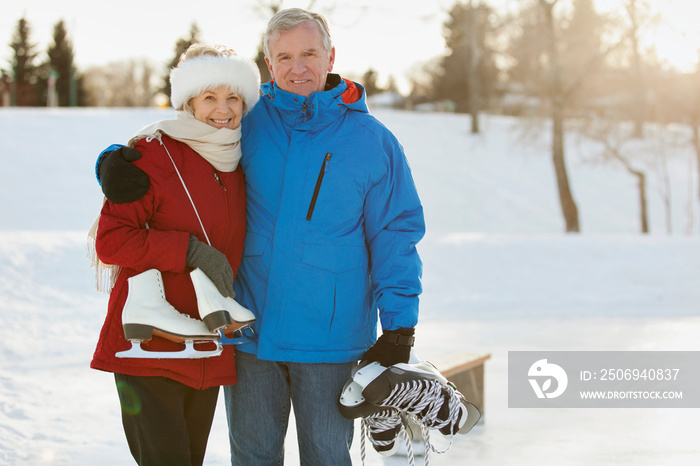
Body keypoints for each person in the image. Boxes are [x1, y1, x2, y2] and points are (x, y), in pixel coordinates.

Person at [95, 8, 425, 465]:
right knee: (251, 457)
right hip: (251, 335)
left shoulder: (373, 141)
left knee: (327, 456)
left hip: (328, 340)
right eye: (284, 56)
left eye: (309, 53)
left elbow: (395, 233)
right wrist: (114, 158)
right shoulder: (247, 120)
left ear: (331, 56)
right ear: (269, 64)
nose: (298, 67)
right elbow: (183, 136)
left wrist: (400, 324)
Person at [90, 43, 260, 466]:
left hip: (205, 344)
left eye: (233, 97)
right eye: (209, 97)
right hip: (149, 346)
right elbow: (111, 241)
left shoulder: (238, 160)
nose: (223, 110)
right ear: (187, 102)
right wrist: (188, 250)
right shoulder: (151, 155)